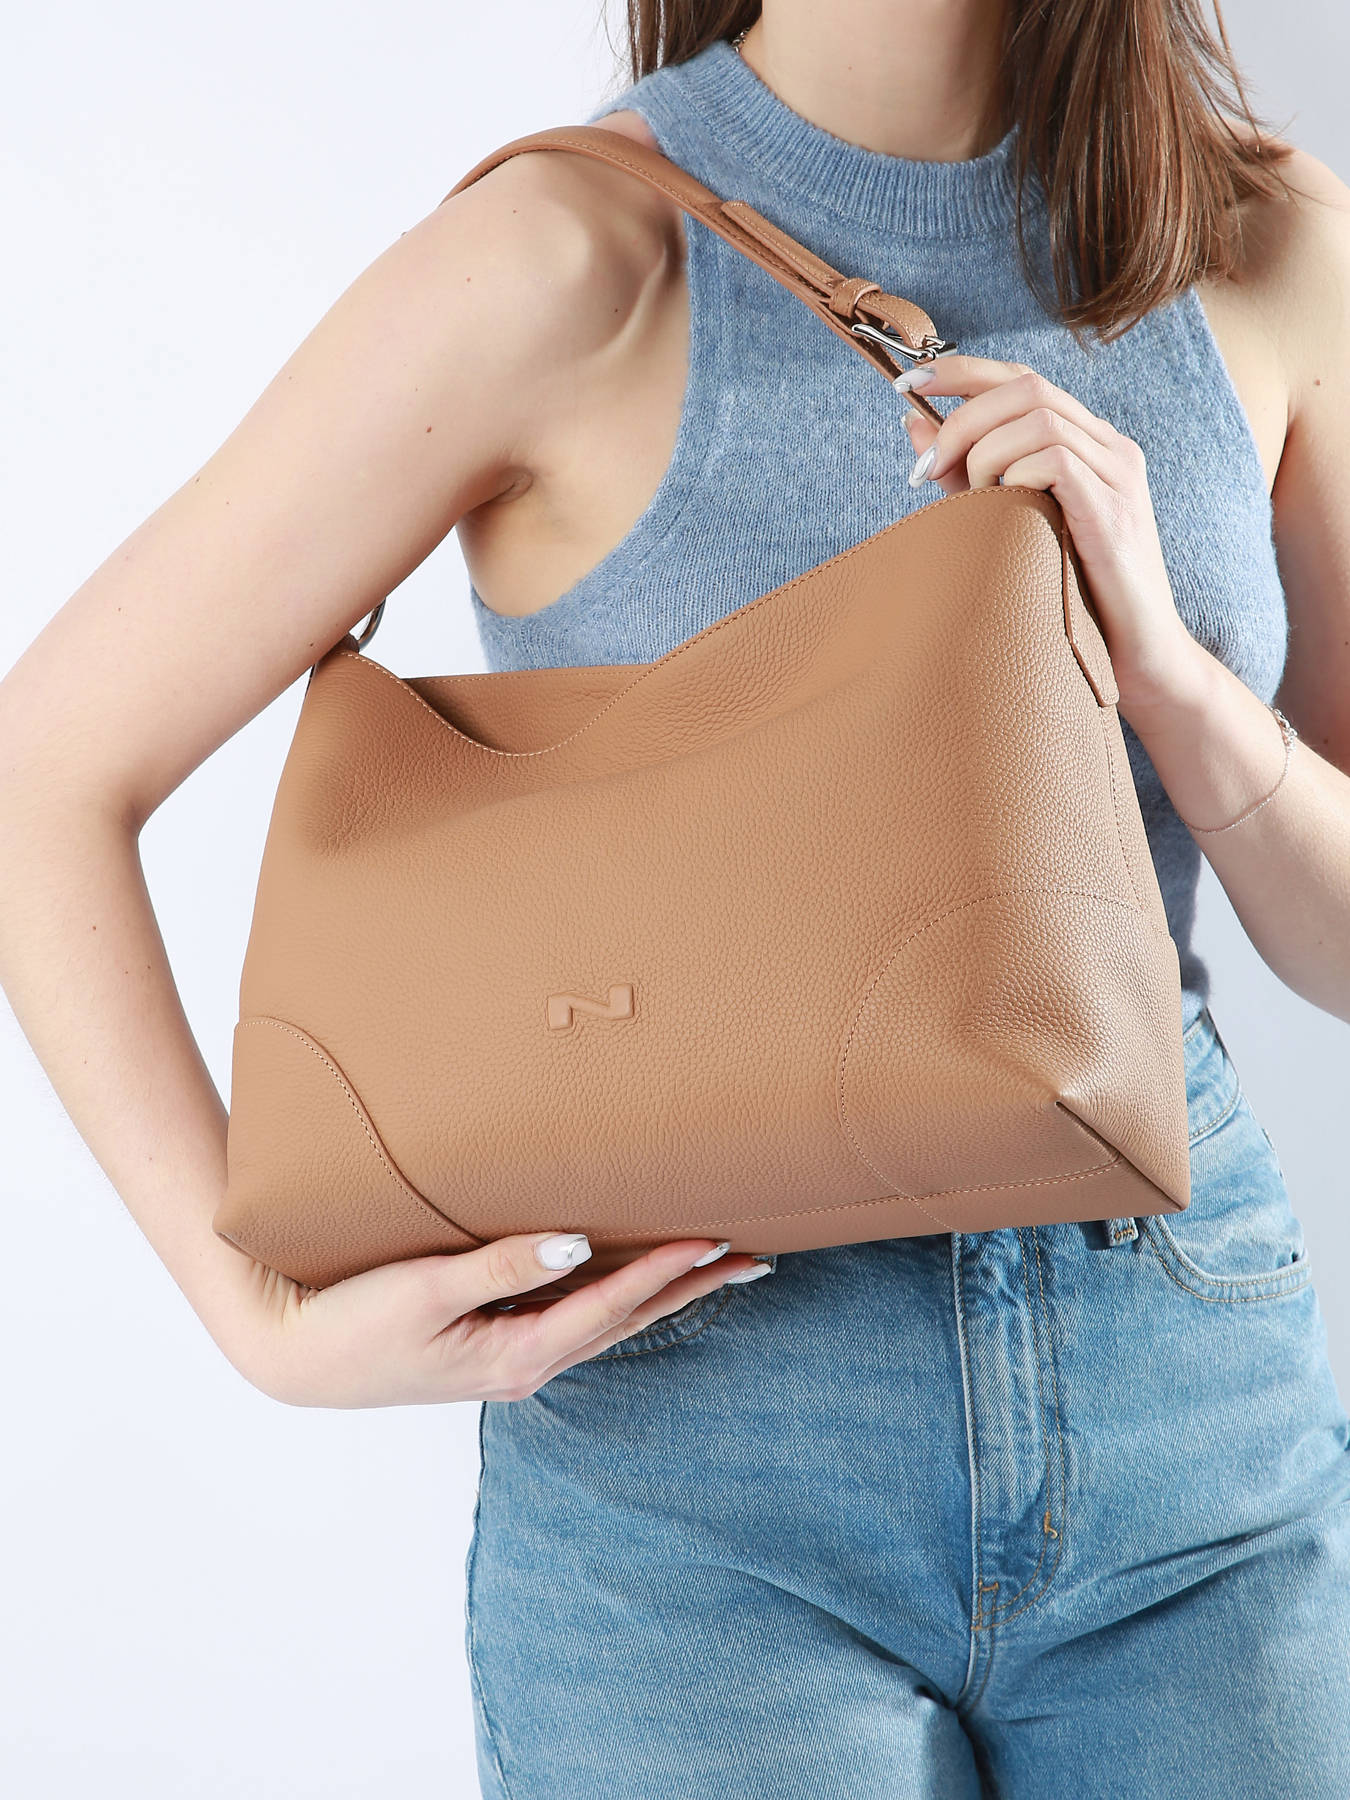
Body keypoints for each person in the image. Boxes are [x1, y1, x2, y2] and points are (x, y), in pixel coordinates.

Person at [2, 1, 1349, 1794]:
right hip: (694, 1450)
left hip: (1187, 1400)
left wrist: (1173, 680)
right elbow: (45, 773)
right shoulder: (559, 256)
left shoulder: (1260, 238)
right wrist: (250, 1315)